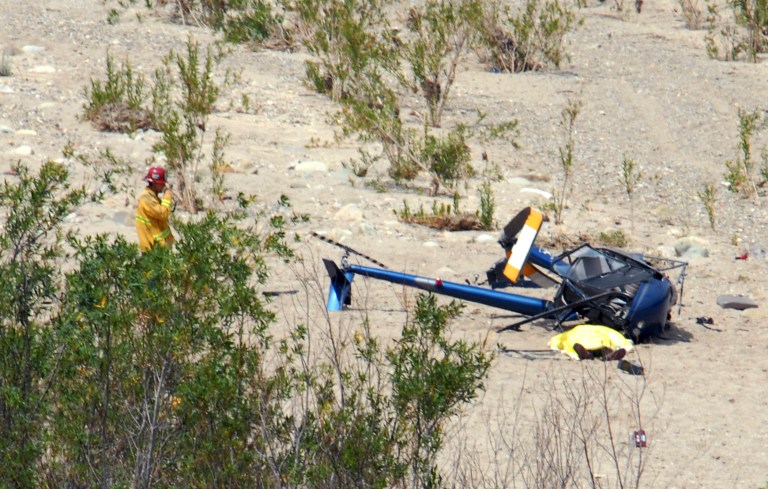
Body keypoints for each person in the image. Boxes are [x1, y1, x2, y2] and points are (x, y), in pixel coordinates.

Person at [135, 166, 175, 253]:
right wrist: (167, 197)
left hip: (160, 247)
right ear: (155, 183)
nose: (164, 185)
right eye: (162, 183)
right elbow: (163, 214)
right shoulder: (146, 200)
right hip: (152, 248)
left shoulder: (152, 198)